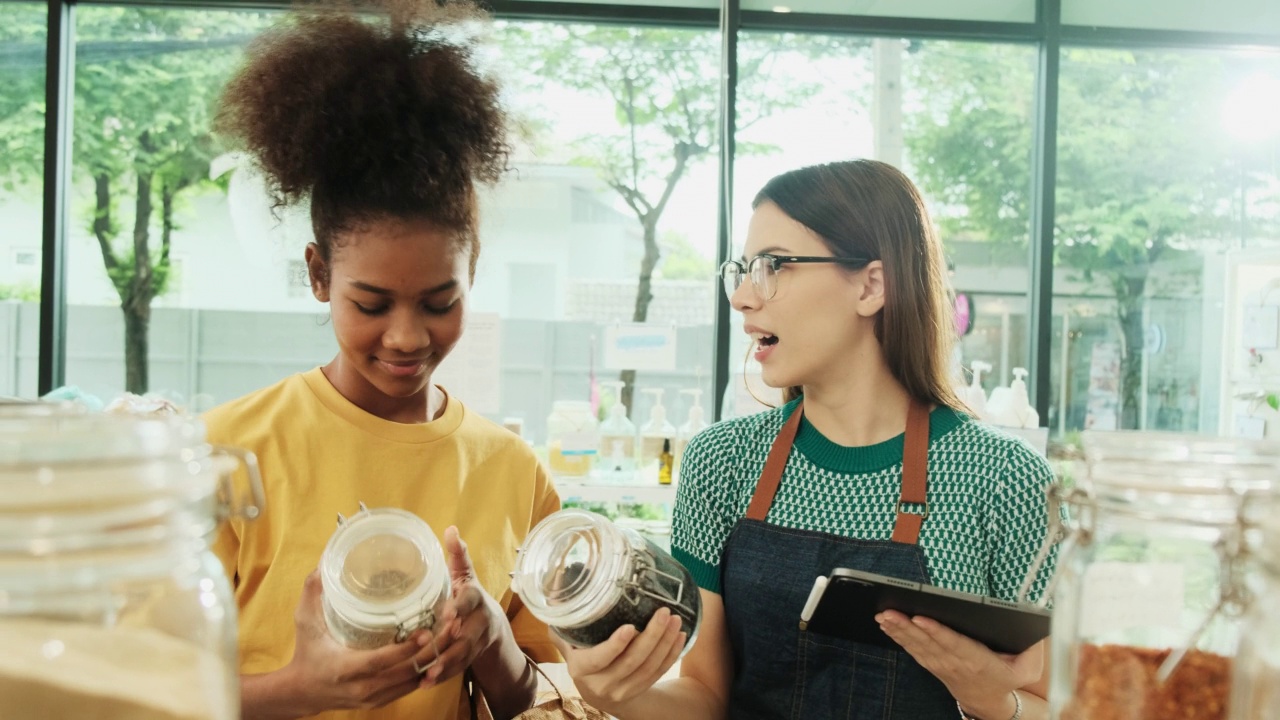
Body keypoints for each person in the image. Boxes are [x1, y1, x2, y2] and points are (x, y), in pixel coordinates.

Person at [554, 159, 1059, 720]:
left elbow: (1064, 707)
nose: (742, 296)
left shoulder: (1006, 480)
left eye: (772, 265)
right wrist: (617, 694)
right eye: (742, 270)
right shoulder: (721, 462)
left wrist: (996, 701)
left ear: (871, 285)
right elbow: (704, 696)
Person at [205, 3, 559, 719]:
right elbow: (134, 695)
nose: (406, 338)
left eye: (438, 302)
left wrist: (494, 645)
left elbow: (546, 702)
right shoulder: (225, 454)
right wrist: (293, 692)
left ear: (473, 272)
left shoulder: (513, 472)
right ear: (317, 275)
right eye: (371, 304)